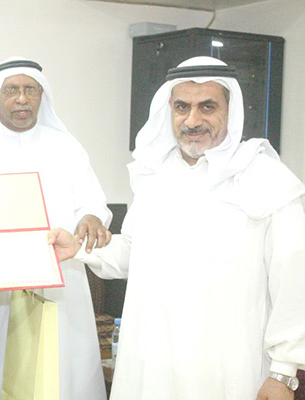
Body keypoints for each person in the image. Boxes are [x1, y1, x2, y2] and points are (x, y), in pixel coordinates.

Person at [48, 56, 305, 400]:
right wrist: (79, 248)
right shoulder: (155, 176)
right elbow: (133, 253)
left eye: (207, 107)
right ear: (169, 109)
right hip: (150, 364)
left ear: (230, 110)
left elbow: (294, 280)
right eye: (183, 107)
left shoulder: (267, 179)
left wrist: (283, 372)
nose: (193, 120)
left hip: (226, 370)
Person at [0, 57, 111, 399]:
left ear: (42, 95)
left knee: (62, 374)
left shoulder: (67, 147)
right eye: (11, 90)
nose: (22, 98)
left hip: (60, 282)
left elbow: (93, 204)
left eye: (30, 90)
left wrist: (92, 217)